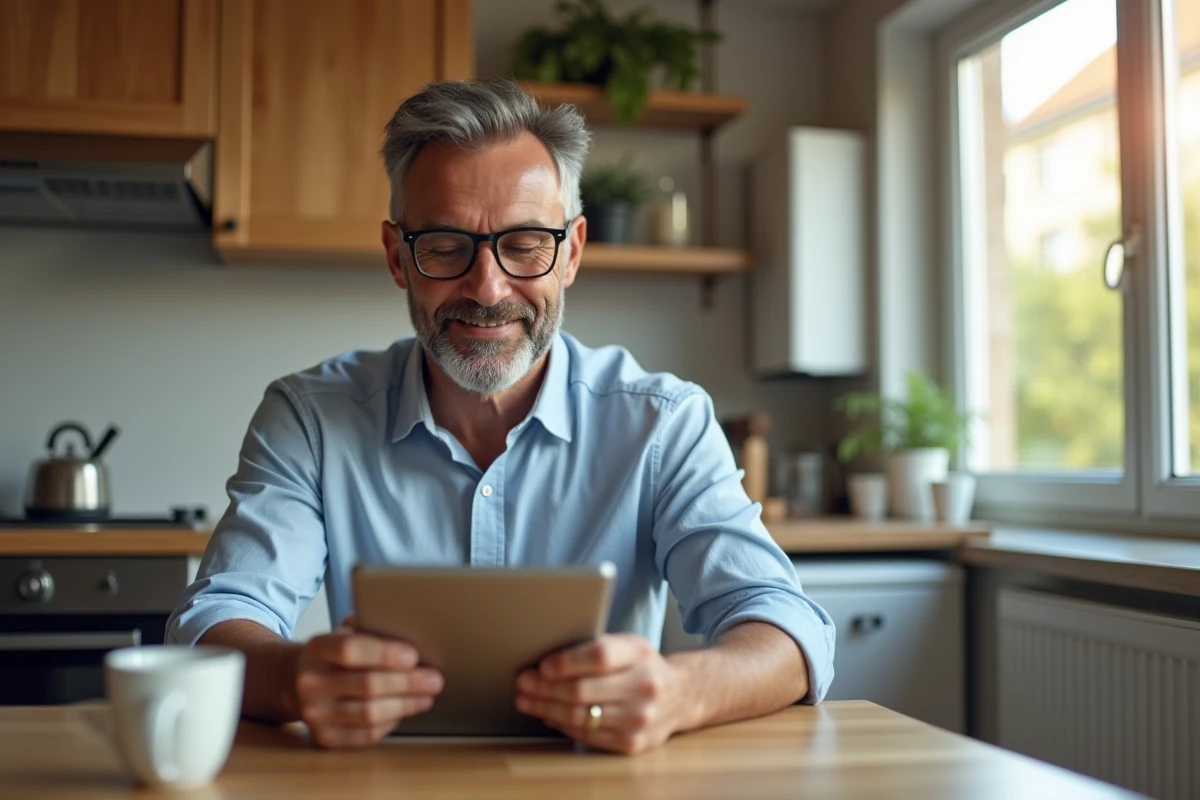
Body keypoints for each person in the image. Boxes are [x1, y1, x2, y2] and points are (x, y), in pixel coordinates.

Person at [167, 78, 834, 755]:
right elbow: (214, 622)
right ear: (398, 257)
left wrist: (678, 692)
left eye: (523, 244)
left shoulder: (664, 423)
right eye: (447, 246)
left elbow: (787, 629)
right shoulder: (308, 419)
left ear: (571, 252)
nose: (487, 289)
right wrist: (292, 679)